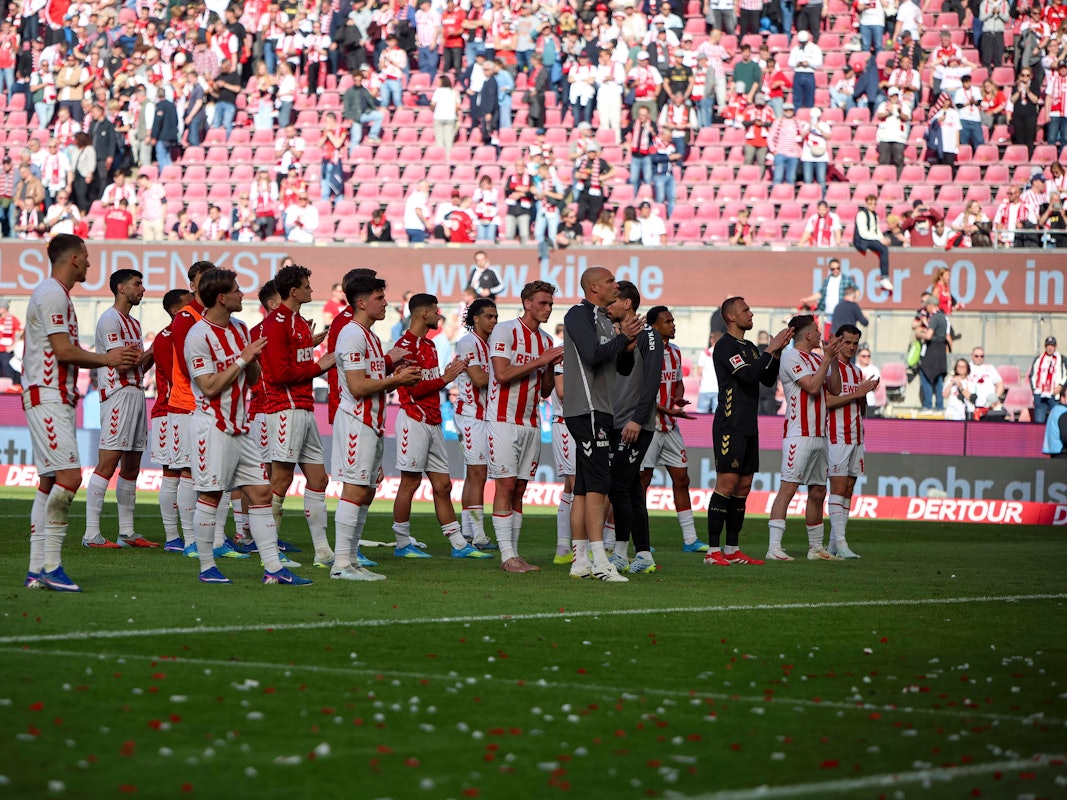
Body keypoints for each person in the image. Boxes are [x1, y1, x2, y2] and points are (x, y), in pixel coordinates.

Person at [23, 235, 140, 591]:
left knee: (47, 482)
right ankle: (52, 566)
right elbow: (62, 350)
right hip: (49, 395)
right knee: (70, 477)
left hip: (52, 395)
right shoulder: (53, 294)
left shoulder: (54, 293)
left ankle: (35, 570)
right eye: (86, 257)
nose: (90, 263)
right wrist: (106, 358)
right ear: (73, 258)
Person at [185, 269, 307, 586]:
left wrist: (253, 360)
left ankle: (273, 570)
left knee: (261, 492)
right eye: (237, 291)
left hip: (242, 426)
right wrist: (242, 359)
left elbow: (252, 379)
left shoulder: (240, 329)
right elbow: (209, 386)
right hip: (213, 426)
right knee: (211, 496)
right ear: (221, 298)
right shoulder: (198, 336)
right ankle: (207, 567)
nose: (243, 295)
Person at [562, 268, 643, 582]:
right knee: (599, 484)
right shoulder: (578, 315)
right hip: (587, 408)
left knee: (584, 487)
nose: (617, 285)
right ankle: (600, 561)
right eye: (611, 281)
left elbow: (620, 367)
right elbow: (592, 356)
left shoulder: (607, 320)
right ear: (594, 287)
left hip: (601, 409)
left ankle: (580, 560)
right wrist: (622, 338)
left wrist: (628, 343)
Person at [391, 293, 485, 561]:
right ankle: (401, 542)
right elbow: (415, 388)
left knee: (443, 485)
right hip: (413, 419)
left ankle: (458, 544)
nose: (438, 316)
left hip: (433, 421)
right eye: (435, 311)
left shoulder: (430, 346)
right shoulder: (404, 346)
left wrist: (445, 374)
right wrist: (446, 377)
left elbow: (431, 381)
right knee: (409, 482)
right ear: (423, 314)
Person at [258, 265, 337, 569]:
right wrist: (320, 366)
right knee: (280, 480)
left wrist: (312, 350)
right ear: (293, 291)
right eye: (307, 286)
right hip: (285, 409)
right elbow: (279, 374)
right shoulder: (276, 325)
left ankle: (322, 551)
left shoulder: (301, 324)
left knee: (319, 478)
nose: (311, 291)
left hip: (304, 409)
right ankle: (270, 554)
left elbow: (296, 362)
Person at [704, 298, 793, 567]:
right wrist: (771, 350)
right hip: (729, 425)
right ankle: (712, 551)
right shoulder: (725, 346)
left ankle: (732, 549)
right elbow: (748, 376)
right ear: (730, 316)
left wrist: (775, 355)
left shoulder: (751, 347)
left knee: (743, 488)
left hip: (748, 426)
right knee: (726, 486)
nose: (750, 313)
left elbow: (765, 379)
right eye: (745, 310)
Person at [488, 281, 563, 572]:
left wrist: (551, 367)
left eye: (551, 304)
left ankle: (514, 553)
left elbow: (545, 391)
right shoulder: (505, 330)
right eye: (543, 303)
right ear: (527, 303)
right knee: (506, 484)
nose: (548, 309)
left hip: (531, 421)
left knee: (520, 487)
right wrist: (540, 361)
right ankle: (507, 556)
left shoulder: (545, 341)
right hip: (503, 419)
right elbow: (502, 374)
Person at [83, 269, 156, 549]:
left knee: (132, 465)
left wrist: (147, 356)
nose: (143, 289)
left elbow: (139, 365)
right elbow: (121, 363)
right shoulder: (109, 320)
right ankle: (91, 534)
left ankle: (126, 532)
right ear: (121, 288)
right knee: (108, 462)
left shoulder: (134, 325)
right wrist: (153, 349)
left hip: (137, 393)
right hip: (117, 395)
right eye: (137, 284)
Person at [765, 315, 843, 562]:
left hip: (820, 434)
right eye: (817, 330)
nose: (821, 334)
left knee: (818, 490)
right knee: (788, 488)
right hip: (799, 434)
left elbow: (835, 389)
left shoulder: (818, 358)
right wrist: (827, 360)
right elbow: (811, 386)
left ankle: (815, 548)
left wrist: (832, 362)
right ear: (808, 335)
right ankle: (774, 547)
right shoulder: (790, 356)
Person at [604, 281, 663, 575]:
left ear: (628, 303)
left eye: (613, 301)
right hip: (615, 421)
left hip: (633, 423)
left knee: (618, 485)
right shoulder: (614, 335)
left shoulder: (649, 336)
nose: (608, 306)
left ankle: (619, 553)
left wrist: (638, 419)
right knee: (630, 488)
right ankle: (643, 555)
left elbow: (652, 380)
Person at [640, 306, 708, 553]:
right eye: (667, 321)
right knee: (642, 481)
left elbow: (678, 383)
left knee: (682, 478)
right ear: (653, 326)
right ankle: (641, 539)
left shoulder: (676, 352)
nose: (673, 324)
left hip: (671, 426)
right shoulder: (644, 351)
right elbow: (641, 393)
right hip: (649, 425)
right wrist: (667, 410)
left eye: (673, 320)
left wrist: (677, 399)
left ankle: (690, 539)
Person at [825, 325, 879, 559]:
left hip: (857, 435)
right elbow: (827, 401)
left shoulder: (857, 372)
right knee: (837, 488)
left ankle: (834, 545)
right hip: (836, 436)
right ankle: (842, 543)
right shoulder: (828, 369)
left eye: (855, 343)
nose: (852, 347)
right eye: (847, 342)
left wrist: (865, 393)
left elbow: (860, 406)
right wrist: (857, 394)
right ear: (837, 341)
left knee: (848, 489)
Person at [149, 289, 194, 552]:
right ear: (177, 311)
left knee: (173, 474)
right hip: (174, 409)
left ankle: (174, 538)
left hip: (168, 410)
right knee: (180, 473)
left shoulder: (166, 336)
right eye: (189, 306)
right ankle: (183, 538)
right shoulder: (171, 337)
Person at [454, 298, 499, 551]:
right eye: (489, 316)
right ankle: (479, 534)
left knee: (473, 474)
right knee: (478, 473)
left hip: (484, 416)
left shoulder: (490, 343)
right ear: (475, 319)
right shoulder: (467, 342)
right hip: (471, 415)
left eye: (495, 317)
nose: (493, 321)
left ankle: (468, 532)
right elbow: (479, 379)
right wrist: (505, 371)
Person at [854, 195, 895, 292]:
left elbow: (876, 231)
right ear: (866, 203)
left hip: (872, 238)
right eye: (870, 203)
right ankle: (884, 277)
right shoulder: (861, 214)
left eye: (874, 204)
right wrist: (879, 240)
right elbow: (863, 233)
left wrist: (883, 239)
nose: (872, 206)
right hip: (863, 240)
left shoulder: (875, 215)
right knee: (883, 249)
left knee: (885, 245)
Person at [918, 295, 949, 410]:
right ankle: (939, 405)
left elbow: (929, 335)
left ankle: (927, 405)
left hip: (933, 349)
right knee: (938, 378)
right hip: (941, 350)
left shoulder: (935, 317)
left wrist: (921, 334)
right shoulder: (943, 317)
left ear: (931, 305)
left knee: (925, 374)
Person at [1030, 336, 1066, 424]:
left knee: (1056, 420)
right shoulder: (1038, 359)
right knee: (1039, 420)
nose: (1050, 348)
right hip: (1040, 394)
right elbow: (1032, 375)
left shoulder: (1061, 359)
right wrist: (1035, 390)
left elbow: (1066, 375)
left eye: (1052, 346)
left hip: (1054, 394)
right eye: (1048, 345)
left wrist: (1060, 386)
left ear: (1055, 347)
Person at [695, 332, 720, 413]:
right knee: (716, 416)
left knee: (701, 415)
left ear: (712, 340)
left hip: (705, 388)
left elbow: (699, 372)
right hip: (718, 389)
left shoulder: (704, 353)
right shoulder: (723, 354)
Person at [856, 345, 883, 416]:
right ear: (859, 357)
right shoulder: (854, 368)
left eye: (868, 356)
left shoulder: (874, 369)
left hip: (870, 402)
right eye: (864, 356)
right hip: (856, 403)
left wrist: (864, 385)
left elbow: (877, 387)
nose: (867, 358)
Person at [0, 300, 21, 386]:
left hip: (6, 352)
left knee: (8, 371)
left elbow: (21, 333)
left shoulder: (13, 319)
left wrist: (13, 346)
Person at [1042, 385, 1067, 457]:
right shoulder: (1063, 412)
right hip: (1062, 452)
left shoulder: (1054, 410)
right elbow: (1065, 435)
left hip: (1054, 451)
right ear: (1062, 398)